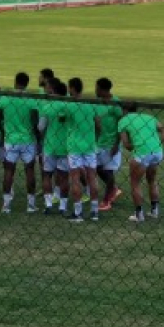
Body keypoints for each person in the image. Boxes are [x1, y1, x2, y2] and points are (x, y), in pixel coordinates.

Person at [0, 72, 39, 214]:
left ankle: (6, 205)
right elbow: (35, 120)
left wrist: (4, 127)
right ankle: (31, 205)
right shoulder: (31, 101)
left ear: (15, 82)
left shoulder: (6, 98)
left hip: (10, 140)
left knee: (9, 171)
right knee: (30, 171)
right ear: (27, 83)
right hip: (27, 140)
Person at [117, 102, 164, 222]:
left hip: (142, 153)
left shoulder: (123, 121)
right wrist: (157, 144)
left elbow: (125, 144)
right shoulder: (148, 117)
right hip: (157, 152)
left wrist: (135, 146)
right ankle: (154, 211)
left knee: (135, 183)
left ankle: (139, 215)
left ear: (124, 110)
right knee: (152, 180)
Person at [61, 77, 102, 222]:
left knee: (75, 179)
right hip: (90, 146)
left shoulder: (69, 105)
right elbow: (98, 125)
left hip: (74, 147)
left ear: (72, 88)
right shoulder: (91, 105)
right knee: (92, 178)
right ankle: (95, 211)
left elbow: (61, 118)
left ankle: (78, 213)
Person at [38, 79, 70, 216]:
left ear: (54, 92)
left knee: (47, 175)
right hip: (65, 147)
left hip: (50, 146)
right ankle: (63, 206)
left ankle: (48, 205)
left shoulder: (47, 107)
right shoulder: (70, 107)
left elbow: (40, 127)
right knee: (63, 177)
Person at [94, 77, 123, 211]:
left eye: (96, 88)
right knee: (97, 168)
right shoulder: (98, 103)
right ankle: (114, 189)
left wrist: (117, 144)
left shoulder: (115, 103)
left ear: (102, 89)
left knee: (109, 171)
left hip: (111, 143)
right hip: (99, 142)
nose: (95, 90)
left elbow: (121, 124)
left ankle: (106, 201)